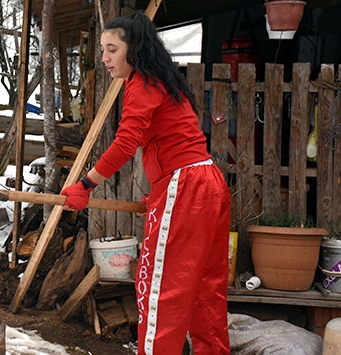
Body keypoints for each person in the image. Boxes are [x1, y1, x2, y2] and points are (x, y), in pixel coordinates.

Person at [60, 11, 231, 355]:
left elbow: (125, 144)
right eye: (103, 50)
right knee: (204, 291)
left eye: (112, 49)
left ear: (134, 49)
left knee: (160, 289)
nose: (105, 58)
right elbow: (172, 145)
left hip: (186, 187)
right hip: (206, 183)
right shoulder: (162, 81)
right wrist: (161, 200)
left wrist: (85, 185)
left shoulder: (142, 84)